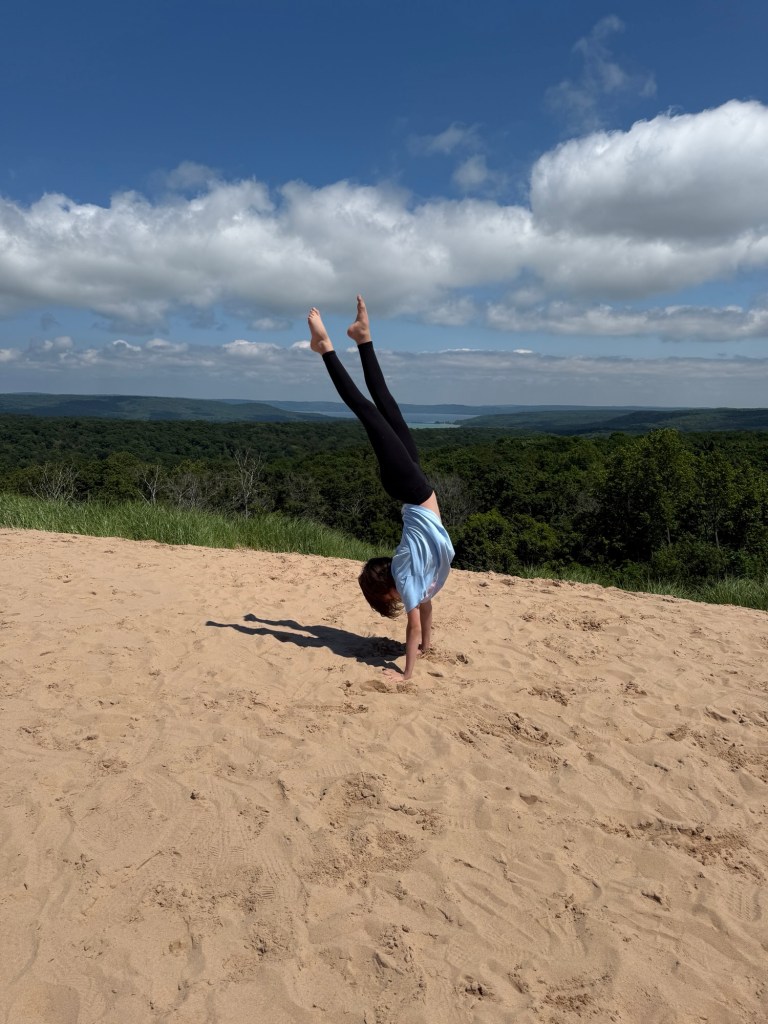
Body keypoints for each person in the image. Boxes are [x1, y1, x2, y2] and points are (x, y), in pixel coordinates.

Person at [308, 296, 454, 681]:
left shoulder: (407, 577)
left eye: (387, 600)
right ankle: (363, 338)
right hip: (413, 488)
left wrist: (407, 675)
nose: (397, 604)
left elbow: (413, 625)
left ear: (386, 589)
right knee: (387, 407)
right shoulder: (418, 586)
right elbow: (425, 615)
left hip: (409, 488)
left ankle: (325, 349)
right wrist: (427, 649)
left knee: (369, 411)